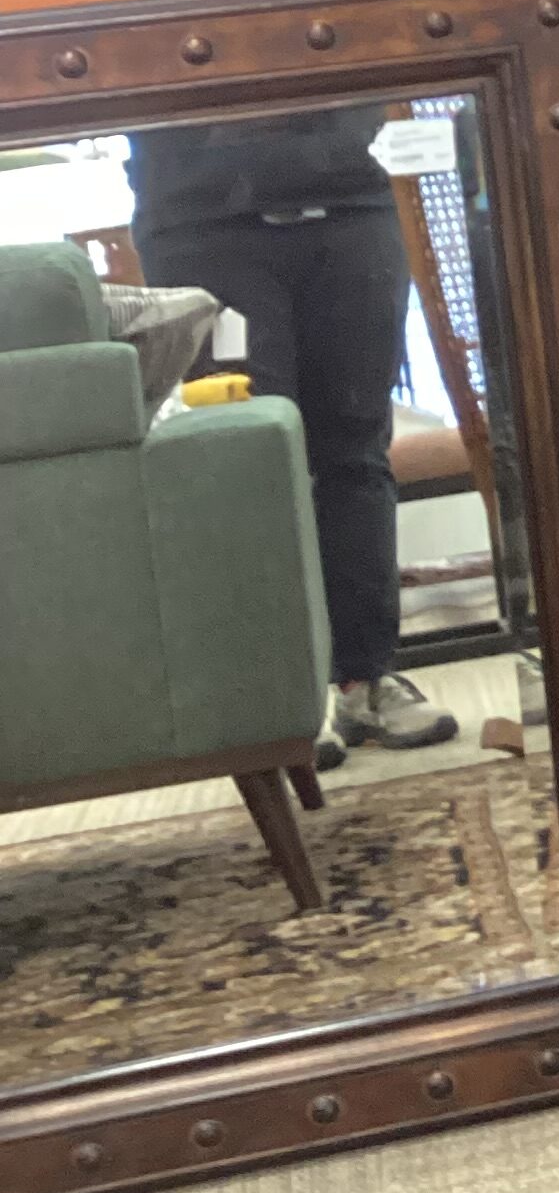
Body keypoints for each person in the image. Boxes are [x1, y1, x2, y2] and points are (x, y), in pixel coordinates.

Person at [129, 107, 457, 767]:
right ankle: (279, 702)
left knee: (357, 451)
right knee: (243, 465)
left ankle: (365, 679)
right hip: (203, 221)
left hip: (350, 206)